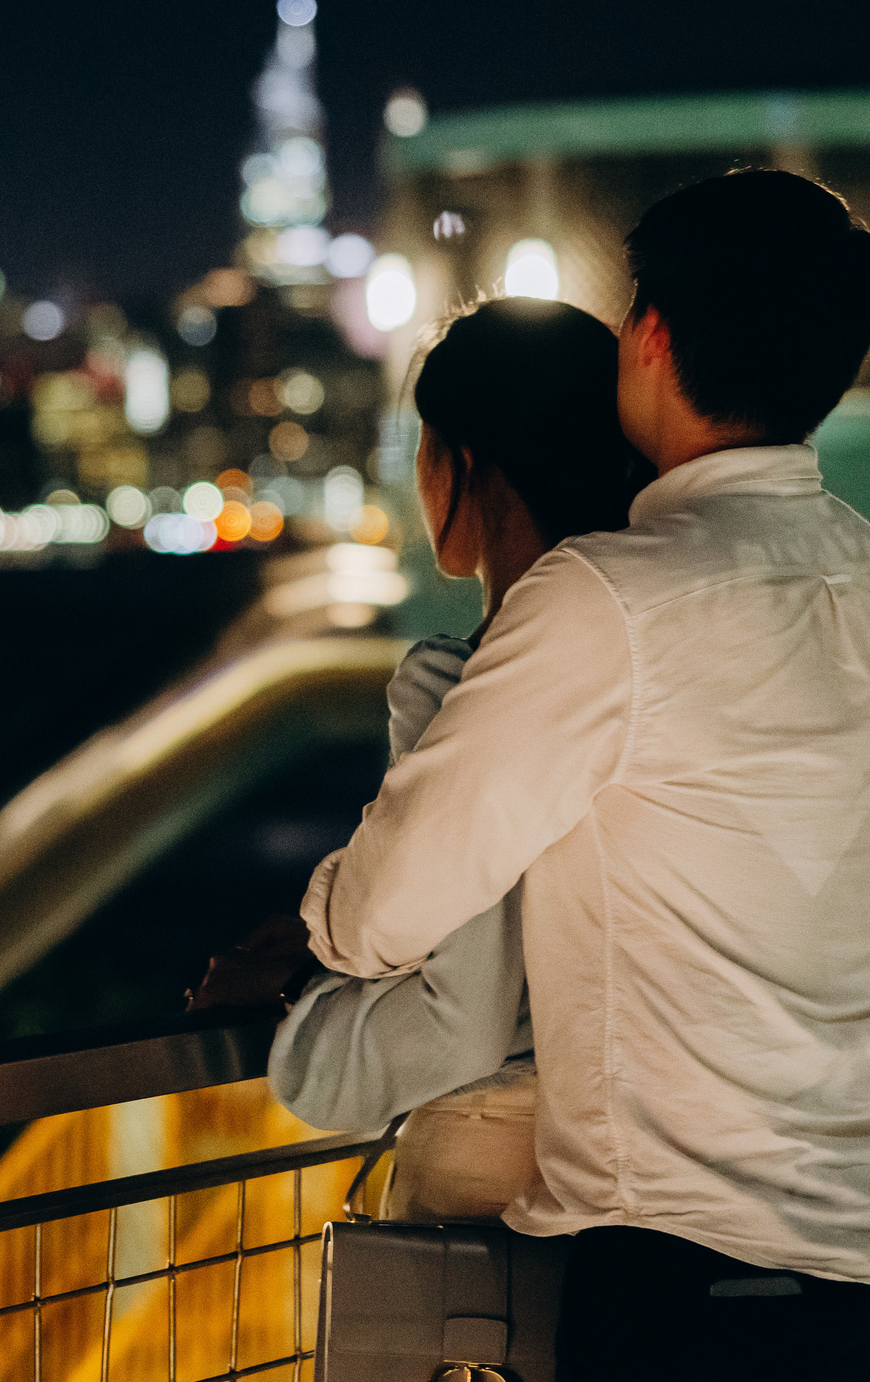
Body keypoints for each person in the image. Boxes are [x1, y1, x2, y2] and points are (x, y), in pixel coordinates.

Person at [300, 170, 870, 1379]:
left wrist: (308, 922)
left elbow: (381, 911)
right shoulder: (862, 568)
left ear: (655, 335)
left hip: (709, 1306)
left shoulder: (607, 595)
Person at [255, 298, 642, 1221]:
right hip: (662, 1190)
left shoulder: (459, 691)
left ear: (457, 465)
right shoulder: (663, 662)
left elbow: (456, 1020)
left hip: (497, 1200)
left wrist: (301, 1029)